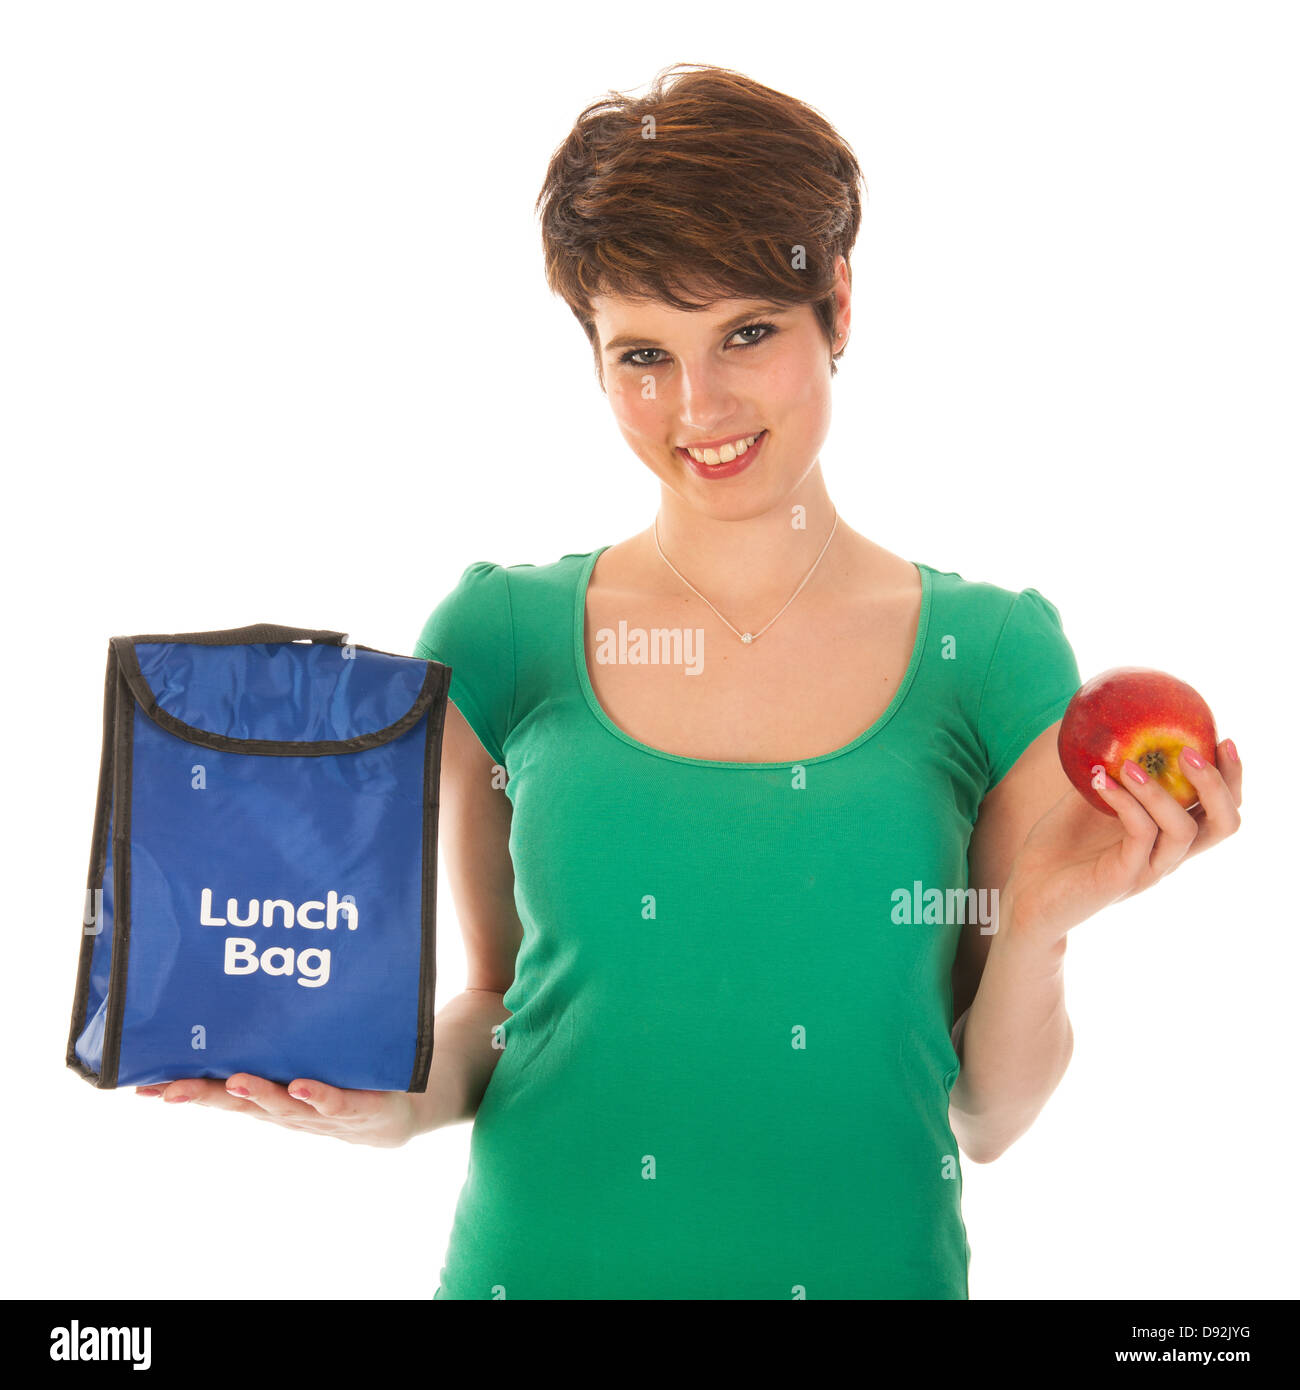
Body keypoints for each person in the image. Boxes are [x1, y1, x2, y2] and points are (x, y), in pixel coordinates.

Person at [137, 63, 1243, 1300]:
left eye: (748, 333)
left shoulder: (988, 655)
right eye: (643, 354)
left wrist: (1036, 926)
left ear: (836, 303)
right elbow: (503, 1006)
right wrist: (381, 1101)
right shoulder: (501, 634)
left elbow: (985, 1114)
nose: (697, 405)